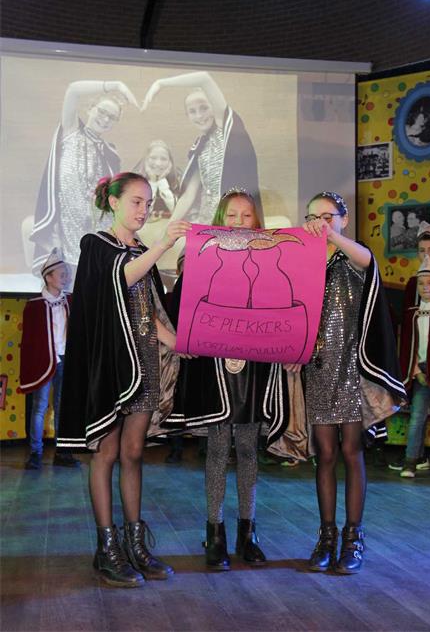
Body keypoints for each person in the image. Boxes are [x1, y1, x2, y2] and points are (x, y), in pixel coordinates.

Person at [56, 172, 191, 587]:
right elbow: (121, 279)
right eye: (136, 201)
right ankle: (107, 548)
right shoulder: (95, 245)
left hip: (144, 364)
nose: (143, 210)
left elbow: (148, 312)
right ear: (113, 202)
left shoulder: (142, 251)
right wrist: (165, 245)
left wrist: (179, 342)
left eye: (148, 203)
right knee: (107, 453)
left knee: (134, 453)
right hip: (111, 366)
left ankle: (135, 543)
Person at [166, 188, 290, 571]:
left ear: (257, 220)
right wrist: (183, 337)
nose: (238, 222)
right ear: (220, 220)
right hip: (216, 368)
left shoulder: (273, 257)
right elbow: (180, 307)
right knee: (218, 450)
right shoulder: (200, 258)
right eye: (231, 215)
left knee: (249, 449)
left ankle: (248, 531)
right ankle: (215, 532)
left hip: (254, 367)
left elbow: (283, 303)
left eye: (246, 215)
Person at [300, 191, 406, 575]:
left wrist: (331, 236)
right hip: (319, 369)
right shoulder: (305, 263)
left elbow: (369, 261)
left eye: (328, 216)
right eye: (313, 216)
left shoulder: (354, 258)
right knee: (325, 453)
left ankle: (353, 537)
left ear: (343, 219)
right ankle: (326, 536)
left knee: (351, 450)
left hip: (351, 370)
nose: (320, 222)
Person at [30, 80, 138, 276]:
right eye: (102, 112)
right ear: (90, 108)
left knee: (96, 276)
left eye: (112, 117)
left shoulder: (110, 153)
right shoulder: (71, 131)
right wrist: (115, 85)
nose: (105, 119)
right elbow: (73, 90)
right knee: (69, 279)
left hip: (95, 225)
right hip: (67, 224)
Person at [142, 71, 263, 226]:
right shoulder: (200, 147)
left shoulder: (228, 132)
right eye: (192, 111)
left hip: (235, 224)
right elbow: (189, 195)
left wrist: (161, 83)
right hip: (208, 224)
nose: (199, 115)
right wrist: (168, 229)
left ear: (214, 107)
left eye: (204, 108)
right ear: (188, 116)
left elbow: (204, 78)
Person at [20, 249, 81, 470]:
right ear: (48, 277)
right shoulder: (34, 306)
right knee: (40, 407)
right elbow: (30, 343)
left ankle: (62, 452)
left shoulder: (70, 301)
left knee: (62, 407)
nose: (66, 277)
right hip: (45, 363)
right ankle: (35, 453)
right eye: (62, 274)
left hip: (65, 360)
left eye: (67, 273)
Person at [388, 221, 430, 473]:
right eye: (422, 250)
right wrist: (414, 369)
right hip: (421, 368)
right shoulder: (413, 287)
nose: (426, 255)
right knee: (418, 415)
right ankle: (412, 459)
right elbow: (409, 335)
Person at [134, 140, 179, 219]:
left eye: (163, 159)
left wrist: (162, 183)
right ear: (146, 159)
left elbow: (177, 212)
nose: (158, 163)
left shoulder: (177, 178)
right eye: (153, 158)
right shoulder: (135, 180)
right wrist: (153, 182)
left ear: (170, 162)